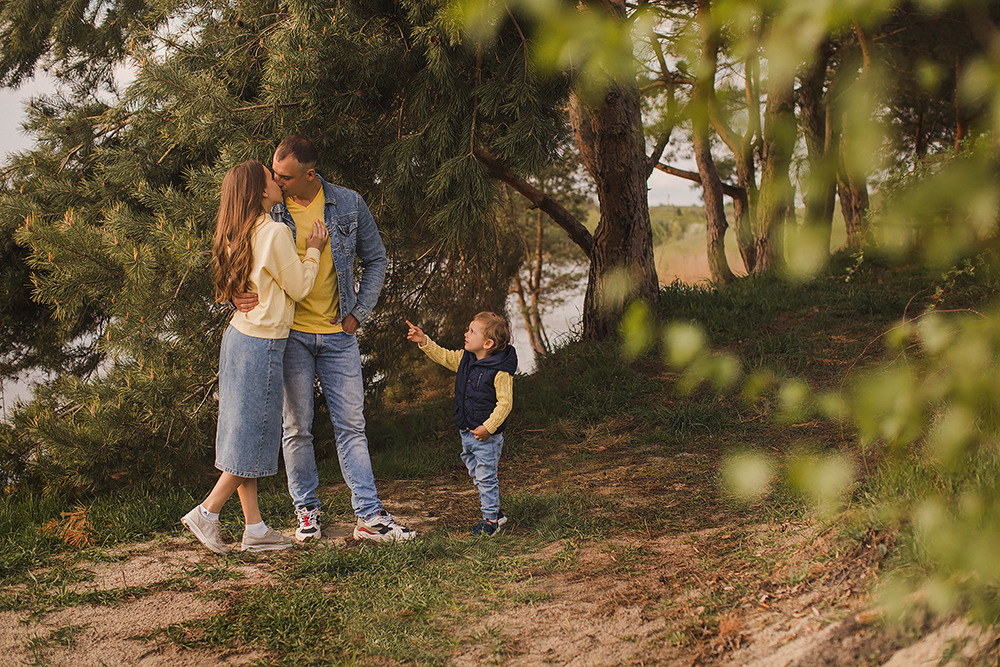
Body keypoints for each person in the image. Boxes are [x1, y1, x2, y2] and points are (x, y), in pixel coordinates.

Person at [235, 135, 414, 543]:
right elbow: (235, 251)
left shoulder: (348, 203)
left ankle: (369, 516)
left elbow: (377, 257)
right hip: (291, 334)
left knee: (352, 426)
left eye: (284, 176)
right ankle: (307, 514)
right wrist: (230, 290)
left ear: (309, 175)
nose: (275, 182)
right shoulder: (268, 210)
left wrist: (357, 314)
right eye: (273, 175)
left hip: (338, 335)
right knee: (296, 428)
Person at [182, 160, 329, 553]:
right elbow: (298, 287)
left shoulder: (235, 232)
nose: (278, 182)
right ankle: (208, 512)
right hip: (262, 342)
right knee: (255, 435)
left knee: (240, 432)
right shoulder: (275, 232)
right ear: (260, 192)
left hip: (236, 337)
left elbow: (234, 283)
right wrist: (314, 250)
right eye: (271, 178)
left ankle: (255, 529)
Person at [405, 312, 517, 536]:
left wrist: (489, 427)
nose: (466, 334)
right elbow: (444, 356)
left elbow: (505, 404)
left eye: (472, 331)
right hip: (467, 432)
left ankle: (491, 520)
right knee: (476, 473)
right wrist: (424, 341)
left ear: (487, 343)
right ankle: (496, 510)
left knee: (486, 476)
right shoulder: (466, 359)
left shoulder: (500, 371)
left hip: (486, 436)